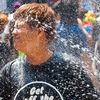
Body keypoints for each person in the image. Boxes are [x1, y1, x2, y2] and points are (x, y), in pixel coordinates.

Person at [0, 3, 99, 100]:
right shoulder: (10, 71)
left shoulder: (69, 68)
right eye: (14, 27)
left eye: (19, 27)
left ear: (39, 31)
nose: (13, 31)